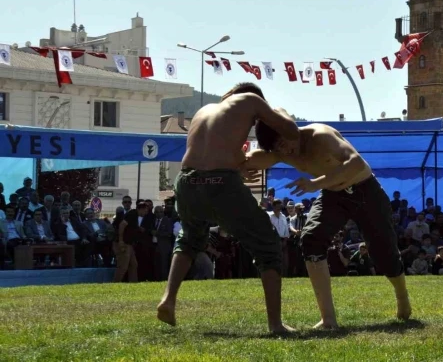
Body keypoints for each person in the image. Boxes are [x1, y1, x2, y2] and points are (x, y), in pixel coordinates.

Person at [156, 82, 299, 335]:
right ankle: (275, 324)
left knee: (189, 239)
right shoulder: (251, 101)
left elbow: (212, 154)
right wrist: (280, 111)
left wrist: (238, 167)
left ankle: (168, 300)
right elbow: (290, 130)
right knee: (267, 244)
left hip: (187, 181)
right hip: (221, 183)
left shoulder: (204, 111)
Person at [243, 122, 411, 330]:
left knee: (383, 252)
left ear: (290, 131)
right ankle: (328, 319)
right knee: (311, 239)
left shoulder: (320, 136)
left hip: (365, 190)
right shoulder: (283, 150)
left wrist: (315, 184)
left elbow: (356, 163)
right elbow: (256, 158)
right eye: (277, 148)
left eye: (283, 143)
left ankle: (402, 295)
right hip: (332, 195)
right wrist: (240, 167)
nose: (285, 151)